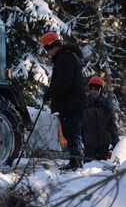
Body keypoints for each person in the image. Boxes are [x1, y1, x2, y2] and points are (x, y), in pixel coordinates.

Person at [41, 31, 87, 170]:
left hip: (71, 103)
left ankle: (77, 162)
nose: (48, 53)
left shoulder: (64, 59)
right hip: (70, 102)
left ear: (54, 46)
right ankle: (75, 161)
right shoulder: (65, 57)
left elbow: (64, 82)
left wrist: (49, 93)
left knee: (73, 132)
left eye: (48, 49)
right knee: (70, 132)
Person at [83, 76, 119, 160]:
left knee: (103, 170)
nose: (93, 91)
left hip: (104, 146)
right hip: (89, 146)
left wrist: (115, 143)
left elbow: (112, 124)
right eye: (91, 88)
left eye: (96, 88)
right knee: (87, 170)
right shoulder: (84, 104)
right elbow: (80, 124)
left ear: (100, 90)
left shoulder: (107, 104)